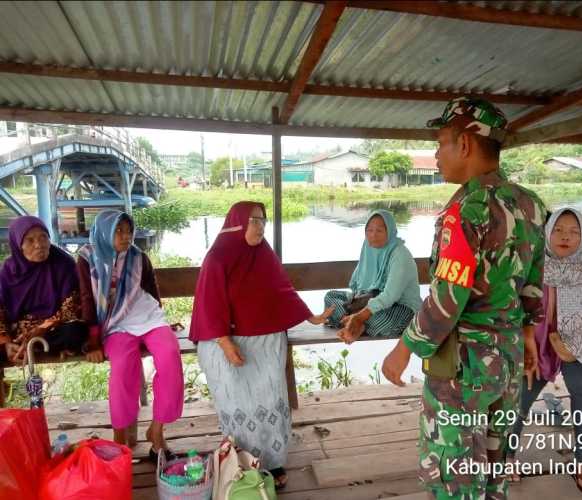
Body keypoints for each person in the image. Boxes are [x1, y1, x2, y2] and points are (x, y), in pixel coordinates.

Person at [381, 97, 547, 500]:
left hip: (463, 368)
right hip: (505, 362)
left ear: (466, 145)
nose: (436, 155)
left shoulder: (465, 210)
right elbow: (534, 283)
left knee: (454, 476)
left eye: (441, 143)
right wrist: (526, 335)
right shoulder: (531, 204)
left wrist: (404, 348)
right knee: (494, 469)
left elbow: (446, 299)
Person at [190, 201, 332, 490]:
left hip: (265, 341)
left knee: (270, 399)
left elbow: (282, 290)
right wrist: (225, 342)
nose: (260, 227)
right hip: (225, 340)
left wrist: (311, 316)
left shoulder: (264, 254)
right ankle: (241, 460)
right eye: (255, 221)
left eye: (263, 221)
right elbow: (210, 303)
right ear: (238, 222)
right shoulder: (218, 257)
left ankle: (273, 461)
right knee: (238, 401)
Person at [506, 208, 582, 496]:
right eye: (558, 230)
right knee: (518, 396)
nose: (565, 237)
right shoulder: (531, 269)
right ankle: (505, 456)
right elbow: (510, 309)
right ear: (547, 233)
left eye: (573, 231)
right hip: (537, 346)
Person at [78, 210, 183, 461]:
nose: (126, 237)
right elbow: (86, 299)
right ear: (105, 231)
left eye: (128, 230)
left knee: (170, 356)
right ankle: (120, 437)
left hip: (147, 317)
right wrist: (93, 339)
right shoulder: (87, 258)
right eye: (119, 231)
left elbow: (151, 290)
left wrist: (164, 320)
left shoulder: (138, 257)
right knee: (124, 366)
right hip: (115, 322)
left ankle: (156, 432)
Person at [324, 209, 422, 344]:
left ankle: (354, 323)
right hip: (370, 300)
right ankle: (355, 323)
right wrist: (356, 303)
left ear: (390, 231)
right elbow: (358, 284)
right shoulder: (368, 248)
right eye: (369, 230)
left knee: (386, 321)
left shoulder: (400, 254)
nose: (373, 235)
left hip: (400, 306)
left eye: (379, 231)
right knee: (331, 296)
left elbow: (390, 296)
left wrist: (359, 316)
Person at [0, 216, 88, 364]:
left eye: (43, 237)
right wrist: (6, 341)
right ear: (18, 244)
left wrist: (42, 328)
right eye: (30, 240)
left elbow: (70, 307)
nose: (39, 245)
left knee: (75, 331)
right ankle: (18, 349)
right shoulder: (8, 271)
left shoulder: (63, 263)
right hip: (18, 332)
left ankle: (35, 346)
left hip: (52, 329)